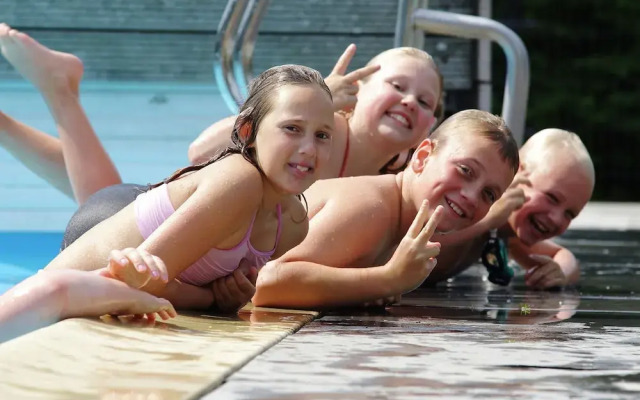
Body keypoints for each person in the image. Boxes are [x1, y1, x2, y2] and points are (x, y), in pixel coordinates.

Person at [0, 61, 336, 338]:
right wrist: (210, 298)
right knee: (51, 294)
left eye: (322, 135)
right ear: (247, 132)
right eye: (292, 128)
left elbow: (163, 288)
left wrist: (227, 298)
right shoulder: (240, 179)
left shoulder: (292, 225)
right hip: (97, 259)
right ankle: (58, 92)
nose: (309, 149)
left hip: (130, 234)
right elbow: (138, 281)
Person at [251, 109, 520, 308]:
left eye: (489, 194)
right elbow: (267, 283)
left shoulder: (399, 221)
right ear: (423, 157)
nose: (472, 196)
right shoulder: (370, 206)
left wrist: (365, 288)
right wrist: (386, 279)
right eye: (465, 170)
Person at [426, 128, 595, 289]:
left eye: (570, 214)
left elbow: (565, 257)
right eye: (552, 197)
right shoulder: (468, 205)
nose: (557, 218)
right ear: (517, 172)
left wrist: (561, 273)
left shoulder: (507, 233)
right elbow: (417, 240)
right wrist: (487, 221)